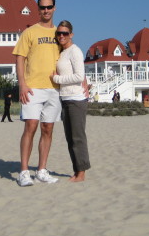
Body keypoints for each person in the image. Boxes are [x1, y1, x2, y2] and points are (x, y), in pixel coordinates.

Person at [12, 0, 61, 187]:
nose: (46, 10)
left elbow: (70, 58)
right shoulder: (30, 32)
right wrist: (22, 84)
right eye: (42, 7)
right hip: (32, 87)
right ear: (38, 9)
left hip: (54, 88)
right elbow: (19, 58)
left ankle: (42, 170)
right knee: (30, 126)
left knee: (47, 128)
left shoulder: (60, 33)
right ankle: (24, 171)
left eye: (49, 7)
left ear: (54, 8)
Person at [50, 20, 90, 182]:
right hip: (65, 98)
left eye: (65, 33)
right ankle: (77, 170)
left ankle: (81, 172)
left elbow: (79, 76)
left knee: (77, 137)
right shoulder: (62, 51)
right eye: (59, 33)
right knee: (69, 137)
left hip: (76, 99)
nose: (61, 36)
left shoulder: (75, 51)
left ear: (71, 35)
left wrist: (57, 79)